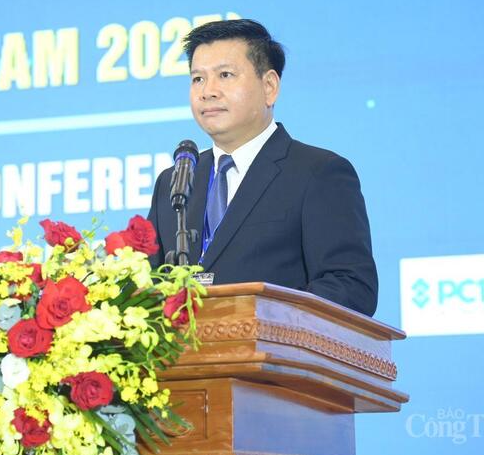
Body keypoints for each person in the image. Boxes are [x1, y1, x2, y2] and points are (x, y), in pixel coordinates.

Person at [147, 19, 378, 316]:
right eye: (198, 79)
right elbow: (148, 287)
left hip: (273, 345)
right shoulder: (174, 181)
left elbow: (351, 286)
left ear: (269, 87)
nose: (208, 91)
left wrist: (259, 316)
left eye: (225, 75)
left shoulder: (318, 173)